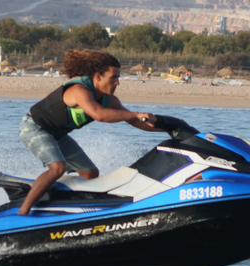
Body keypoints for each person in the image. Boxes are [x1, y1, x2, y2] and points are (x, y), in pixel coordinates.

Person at [17, 50, 159, 215]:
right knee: (58, 168)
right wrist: (135, 114)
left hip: (57, 134)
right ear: (98, 77)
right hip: (35, 127)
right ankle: (23, 212)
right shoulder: (79, 90)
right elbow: (99, 115)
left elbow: (134, 121)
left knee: (90, 173)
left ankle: (69, 202)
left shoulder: (110, 100)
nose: (117, 83)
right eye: (114, 77)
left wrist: (167, 129)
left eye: (118, 78)